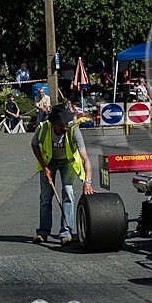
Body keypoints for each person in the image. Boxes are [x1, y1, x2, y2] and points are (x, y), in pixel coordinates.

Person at [31, 105, 94, 245]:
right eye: (60, 125)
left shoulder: (73, 129)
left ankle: (66, 232)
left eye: (66, 124)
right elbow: (34, 145)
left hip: (67, 162)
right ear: (53, 124)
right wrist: (44, 167)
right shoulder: (43, 128)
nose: (64, 127)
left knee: (68, 192)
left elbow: (85, 159)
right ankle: (43, 232)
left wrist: (87, 182)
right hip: (49, 161)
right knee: (46, 197)